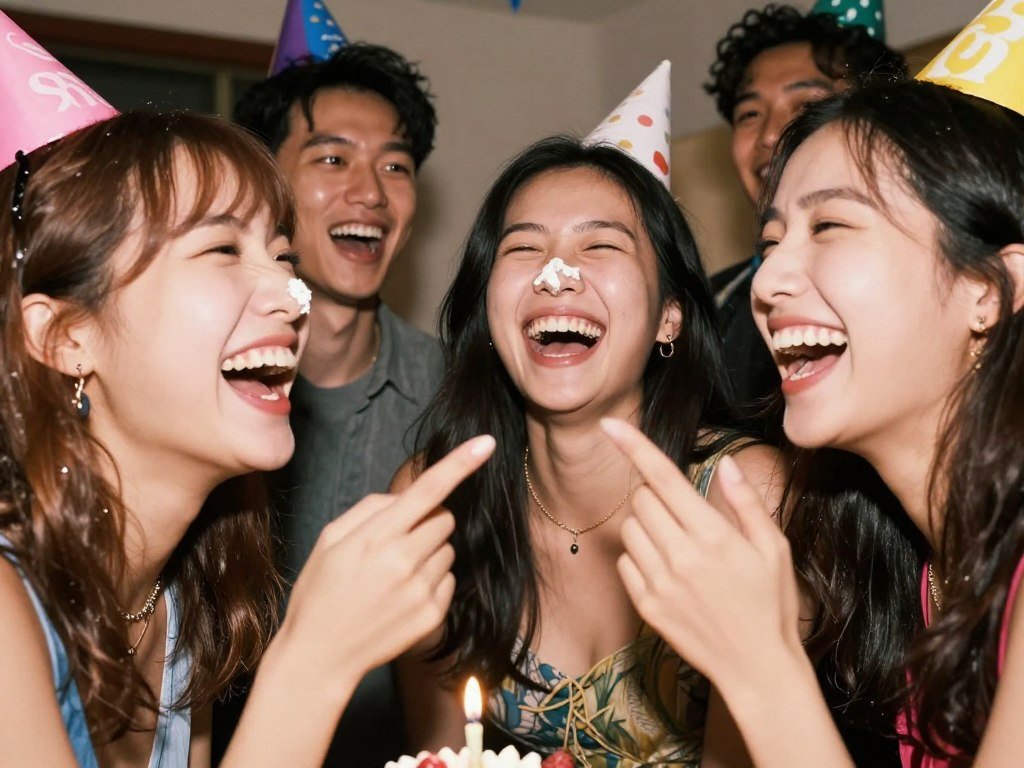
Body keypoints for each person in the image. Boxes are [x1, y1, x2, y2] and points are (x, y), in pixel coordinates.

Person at [0, 109, 495, 767]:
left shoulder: (178, 602)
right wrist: (314, 658)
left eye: (283, 256)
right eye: (222, 249)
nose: (293, 297)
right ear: (66, 339)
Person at [603, 79, 1024, 766]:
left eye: (829, 226)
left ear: (987, 289)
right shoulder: (917, 574)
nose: (767, 284)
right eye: (771, 240)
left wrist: (758, 664)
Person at [393, 135, 783, 767]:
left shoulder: (744, 497)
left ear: (670, 318)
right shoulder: (432, 501)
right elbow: (439, 750)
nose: (557, 274)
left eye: (600, 245)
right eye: (523, 248)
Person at [231, 43, 444, 765]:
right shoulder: (198, 392)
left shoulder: (458, 398)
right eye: (332, 160)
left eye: (396, 166)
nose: (372, 193)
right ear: (267, 184)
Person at [704, 3, 905, 427]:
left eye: (805, 104)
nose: (771, 134)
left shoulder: (914, 288)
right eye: (749, 113)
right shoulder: (705, 309)